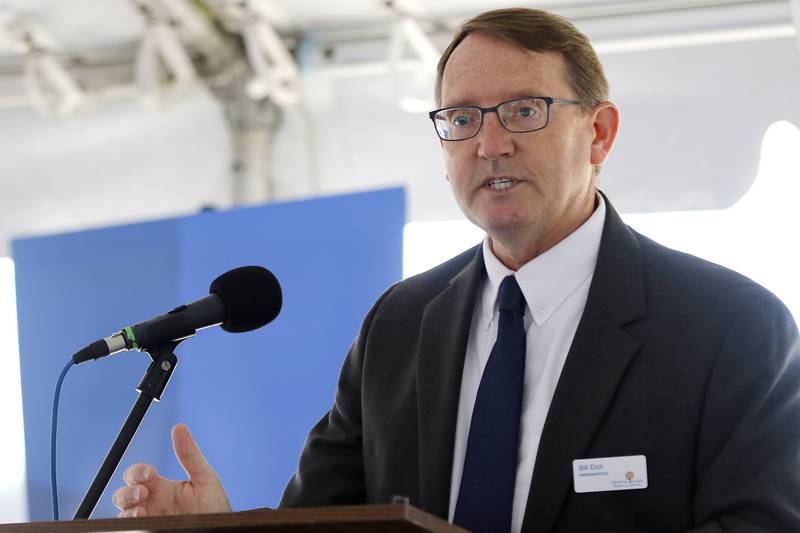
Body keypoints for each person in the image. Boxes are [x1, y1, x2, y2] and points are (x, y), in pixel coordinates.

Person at [112, 7, 800, 532]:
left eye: (523, 111)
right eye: (462, 118)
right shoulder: (400, 323)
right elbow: (324, 520)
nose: (489, 144)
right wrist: (218, 524)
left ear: (599, 133)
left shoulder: (730, 327)